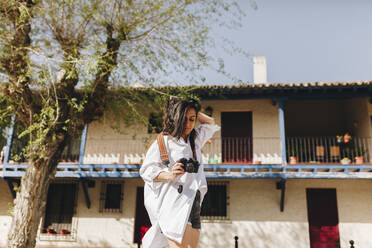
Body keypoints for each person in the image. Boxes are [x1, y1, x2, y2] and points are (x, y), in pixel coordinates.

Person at [140, 98, 220, 248]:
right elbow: (146, 171)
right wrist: (170, 175)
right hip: (174, 202)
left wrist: (189, 106)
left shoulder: (195, 140)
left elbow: (210, 123)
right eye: (185, 119)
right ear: (177, 118)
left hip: (194, 200)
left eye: (192, 119)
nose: (189, 124)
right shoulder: (163, 141)